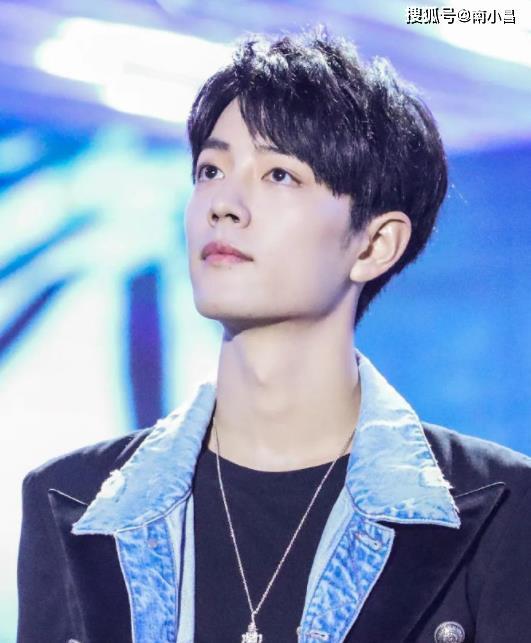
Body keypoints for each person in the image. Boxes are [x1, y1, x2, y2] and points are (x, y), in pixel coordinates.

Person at [17, 26, 531, 643]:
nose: (223, 204)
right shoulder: (71, 502)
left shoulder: (498, 507)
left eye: (280, 174)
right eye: (210, 169)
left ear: (375, 244)